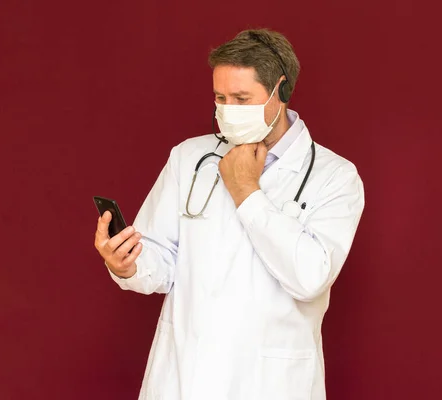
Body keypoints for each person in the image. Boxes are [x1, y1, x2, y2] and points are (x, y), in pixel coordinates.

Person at [94, 28, 365, 400]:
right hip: (184, 376)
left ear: (281, 91)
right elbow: (160, 259)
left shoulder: (334, 177)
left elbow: (310, 278)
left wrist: (247, 193)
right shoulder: (189, 158)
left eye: (242, 98)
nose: (228, 111)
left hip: (270, 383)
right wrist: (128, 265)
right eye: (220, 97)